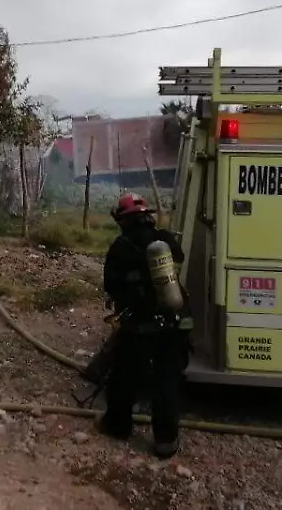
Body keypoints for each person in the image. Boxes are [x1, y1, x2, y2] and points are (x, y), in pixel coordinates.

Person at [96, 192, 191, 459]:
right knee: (166, 382)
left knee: (125, 378)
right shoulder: (166, 239)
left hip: (139, 325)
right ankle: (165, 442)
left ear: (123, 220)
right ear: (147, 216)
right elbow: (179, 261)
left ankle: (117, 426)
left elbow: (111, 285)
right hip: (173, 323)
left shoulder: (121, 246)